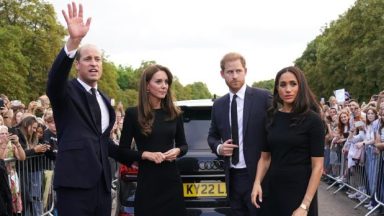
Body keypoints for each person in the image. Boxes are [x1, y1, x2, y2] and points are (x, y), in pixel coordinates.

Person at [46, 3, 131, 215]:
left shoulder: (104, 100)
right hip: (74, 187)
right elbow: (54, 80)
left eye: (98, 59)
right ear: (77, 64)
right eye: (87, 59)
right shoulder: (65, 92)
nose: (93, 63)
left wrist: (142, 156)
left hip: (101, 187)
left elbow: (104, 143)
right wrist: (73, 42)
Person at [251, 66, 324, 216]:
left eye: (293, 84)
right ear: (277, 89)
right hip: (272, 191)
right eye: (282, 85)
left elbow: (317, 167)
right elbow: (265, 159)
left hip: (300, 193)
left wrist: (305, 205)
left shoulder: (313, 120)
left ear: (301, 86)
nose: (288, 89)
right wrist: (257, 183)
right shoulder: (270, 118)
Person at [118, 64, 188, 216]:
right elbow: (122, 152)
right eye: (159, 82)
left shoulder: (175, 114)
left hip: (171, 183)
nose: (164, 86)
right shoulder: (133, 114)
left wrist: (177, 151)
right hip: (148, 184)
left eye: (166, 82)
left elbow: (183, 145)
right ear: (147, 86)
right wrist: (146, 155)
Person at [207, 52, 271, 215]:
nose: (234, 76)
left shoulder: (263, 98)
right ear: (222, 74)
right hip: (233, 177)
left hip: (259, 177)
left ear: (245, 71)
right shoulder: (219, 105)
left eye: (238, 71)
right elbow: (212, 136)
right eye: (229, 72)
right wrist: (219, 148)